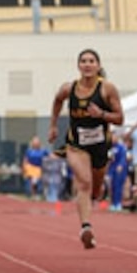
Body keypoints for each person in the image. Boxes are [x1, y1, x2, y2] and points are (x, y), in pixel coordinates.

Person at [48, 48, 124, 249]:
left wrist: (101, 114)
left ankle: (90, 201)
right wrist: (53, 125)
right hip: (76, 145)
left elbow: (120, 118)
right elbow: (57, 101)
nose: (87, 64)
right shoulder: (68, 88)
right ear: (78, 66)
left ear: (98, 66)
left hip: (100, 146)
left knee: (95, 191)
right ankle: (85, 227)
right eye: (83, 61)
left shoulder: (107, 89)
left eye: (91, 61)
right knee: (84, 182)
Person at [22, 135, 49, 199]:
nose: (36, 144)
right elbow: (25, 160)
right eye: (34, 142)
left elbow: (49, 157)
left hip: (40, 168)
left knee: (38, 179)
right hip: (30, 168)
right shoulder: (29, 151)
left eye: (37, 142)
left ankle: (38, 192)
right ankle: (31, 193)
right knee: (30, 179)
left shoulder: (43, 151)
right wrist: (24, 167)